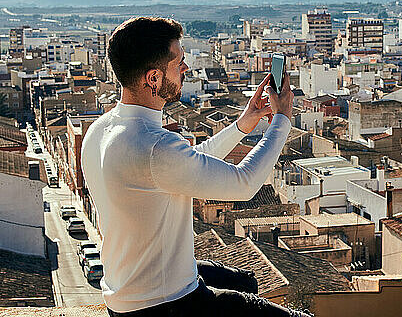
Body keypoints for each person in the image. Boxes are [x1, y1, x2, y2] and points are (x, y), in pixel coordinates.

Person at [81, 17, 309, 316]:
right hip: (168, 304)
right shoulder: (153, 145)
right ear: (153, 78)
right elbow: (244, 183)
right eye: (179, 63)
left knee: (244, 281)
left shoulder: (102, 129)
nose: (186, 69)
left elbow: (186, 162)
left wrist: (243, 125)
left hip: (128, 293)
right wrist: (282, 119)